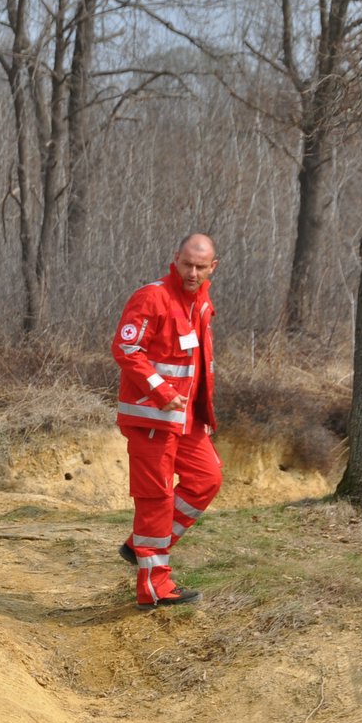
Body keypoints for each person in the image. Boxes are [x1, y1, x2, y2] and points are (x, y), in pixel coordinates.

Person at [110, 232, 223, 609]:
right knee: (155, 500)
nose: (192, 273)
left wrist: (203, 414)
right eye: (187, 264)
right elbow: (126, 348)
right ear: (176, 259)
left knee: (207, 479)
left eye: (200, 267)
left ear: (213, 268)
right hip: (151, 420)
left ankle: (140, 549)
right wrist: (160, 390)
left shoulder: (202, 301)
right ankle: (154, 586)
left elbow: (199, 366)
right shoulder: (152, 296)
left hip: (187, 420)